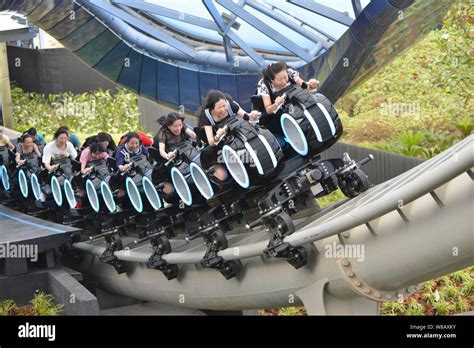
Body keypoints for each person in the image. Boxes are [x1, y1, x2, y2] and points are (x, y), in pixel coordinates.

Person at [256, 61, 319, 147]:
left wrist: (312, 85)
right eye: (279, 80)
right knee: (282, 142)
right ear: (272, 80)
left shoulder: (290, 73)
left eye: (285, 77)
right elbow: (268, 110)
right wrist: (276, 104)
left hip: (293, 108)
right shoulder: (265, 85)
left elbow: (306, 86)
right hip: (274, 116)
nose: (284, 82)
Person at [196, 90, 245, 182]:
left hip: (235, 139)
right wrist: (218, 136)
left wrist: (253, 116)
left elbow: (246, 116)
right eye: (219, 107)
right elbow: (211, 142)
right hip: (217, 147)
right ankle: (210, 175)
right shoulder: (207, 116)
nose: (223, 109)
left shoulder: (230, 105)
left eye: (224, 105)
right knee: (222, 176)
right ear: (212, 108)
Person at [154, 112, 196, 196]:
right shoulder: (163, 133)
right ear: (169, 126)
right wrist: (167, 155)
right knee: (170, 192)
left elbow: (193, 135)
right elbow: (161, 151)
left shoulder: (182, 126)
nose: (178, 128)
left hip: (185, 152)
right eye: (175, 126)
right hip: (169, 159)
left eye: (180, 125)